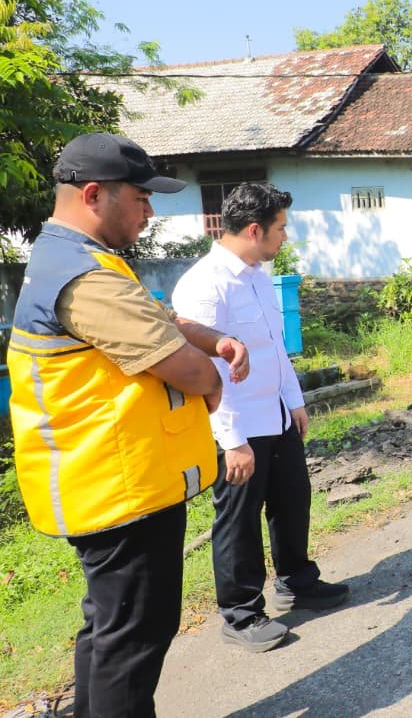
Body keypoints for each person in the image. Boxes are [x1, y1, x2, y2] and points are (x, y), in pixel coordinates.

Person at [6, 133, 247, 717]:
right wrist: (211, 379)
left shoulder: (75, 259)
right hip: (119, 488)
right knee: (134, 638)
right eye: (140, 198)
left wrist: (213, 339)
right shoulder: (85, 277)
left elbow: (156, 319)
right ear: (94, 194)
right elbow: (186, 370)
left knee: (111, 628)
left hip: (114, 480)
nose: (149, 211)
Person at [173, 183, 349, 653]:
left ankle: (297, 582)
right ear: (255, 230)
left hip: (275, 415)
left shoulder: (255, 274)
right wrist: (231, 439)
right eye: (280, 229)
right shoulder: (204, 284)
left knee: (293, 501)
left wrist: (294, 402)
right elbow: (204, 369)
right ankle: (241, 613)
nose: (285, 238)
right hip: (237, 426)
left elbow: (275, 347)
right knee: (239, 520)